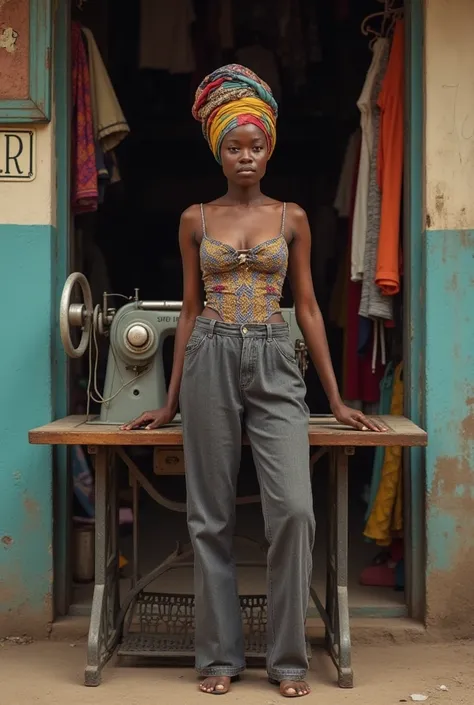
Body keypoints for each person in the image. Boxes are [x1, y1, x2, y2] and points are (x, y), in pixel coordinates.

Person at [123, 65, 387, 698]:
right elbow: (188, 311)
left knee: (294, 510)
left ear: (271, 148)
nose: (247, 157)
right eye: (235, 147)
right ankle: (218, 659)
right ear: (219, 150)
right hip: (210, 356)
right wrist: (168, 400)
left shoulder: (292, 216)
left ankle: (288, 659)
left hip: (275, 357)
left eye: (257, 146)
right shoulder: (195, 219)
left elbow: (308, 308)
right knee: (208, 516)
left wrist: (337, 398)